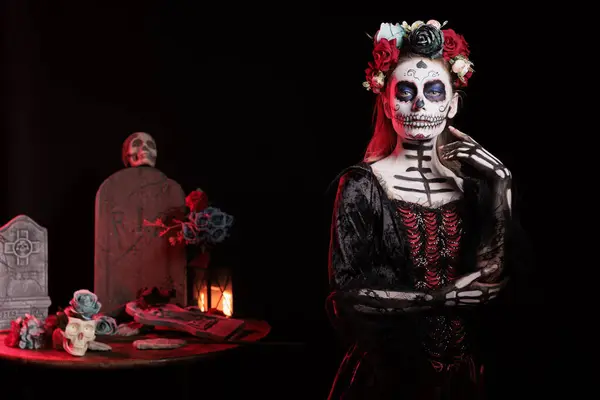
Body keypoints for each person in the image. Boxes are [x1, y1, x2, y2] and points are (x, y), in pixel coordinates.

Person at [326, 20, 525, 399]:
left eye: (434, 92)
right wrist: (441, 298)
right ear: (385, 100)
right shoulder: (361, 186)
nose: (419, 105)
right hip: (386, 379)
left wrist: (502, 181)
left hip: (463, 379)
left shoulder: (479, 187)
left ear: (452, 104)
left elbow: (494, 281)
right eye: (406, 91)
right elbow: (346, 296)